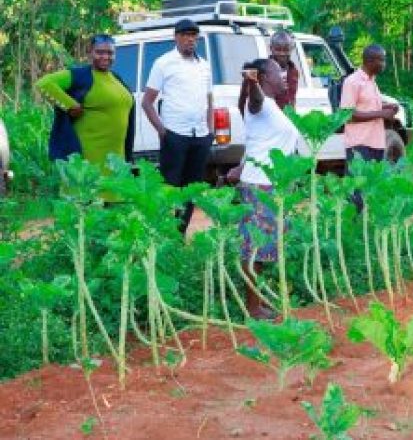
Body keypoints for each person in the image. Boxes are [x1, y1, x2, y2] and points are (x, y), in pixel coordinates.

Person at [229, 58, 301, 319]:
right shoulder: (258, 103)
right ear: (263, 78)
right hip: (260, 185)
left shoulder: (271, 106)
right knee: (254, 249)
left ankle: (257, 301)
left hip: (269, 185)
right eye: (277, 73)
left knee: (264, 248)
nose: (283, 76)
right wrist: (251, 83)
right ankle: (253, 307)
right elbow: (254, 100)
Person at [142, 19, 213, 234]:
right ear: (176, 37)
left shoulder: (204, 65)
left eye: (194, 35)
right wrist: (163, 132)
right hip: (175, 135)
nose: (190, 39)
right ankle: (163, 232)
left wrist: (210, 132)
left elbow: (210, 100)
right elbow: (147, 102)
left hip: (200, 136)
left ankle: (180, 233)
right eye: (185, 34)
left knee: (191, 189)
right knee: (170, 187)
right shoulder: (163, 63)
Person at [36, 34, 135, 168]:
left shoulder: (117, 78)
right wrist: (70, 105)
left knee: (115, 187)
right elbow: (44, 83)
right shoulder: (80, 75)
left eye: (110, 53)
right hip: (89, 155)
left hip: (118, 157)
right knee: (91, 187)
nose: (105, 57)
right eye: (99, 52)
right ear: (90, 52)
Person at [340, 44, 398, 210]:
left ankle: (366, 227)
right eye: (382, 60)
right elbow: (347, 115)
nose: (384, 64)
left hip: (376, 143)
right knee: (355, 190)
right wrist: (380, 114)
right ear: (371, 61)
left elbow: (369, 107)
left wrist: (388, 108)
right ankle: (354, 227)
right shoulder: (353, 81)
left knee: (370, 189)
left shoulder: (372, 81)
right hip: (359, 145)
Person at [268, 30, 299, 109]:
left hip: (288, 118)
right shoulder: (263, 70)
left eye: (286, 50)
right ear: (271, 48)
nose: (282, 53)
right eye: (278, 49)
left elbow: (292, 99)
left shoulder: (293, 71)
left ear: (291, 49)